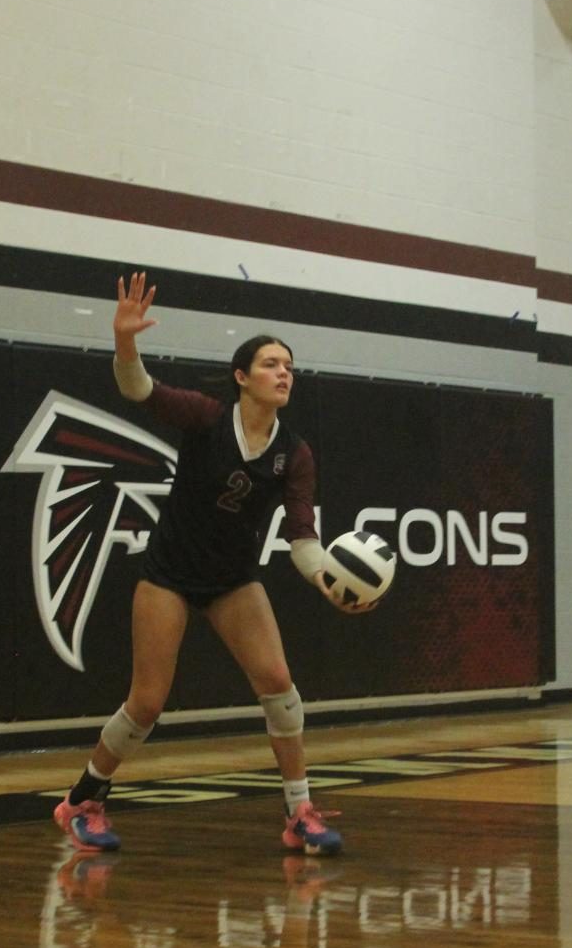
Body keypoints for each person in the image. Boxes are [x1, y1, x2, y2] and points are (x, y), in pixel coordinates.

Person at [53, 272, 370, 859]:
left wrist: (326, 575)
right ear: (242, 377)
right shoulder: (204, 417)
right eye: (272, 364)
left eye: (290, 367)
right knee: (147, 702)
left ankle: (299, 811)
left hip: (231, 579)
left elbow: (302, 536)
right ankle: (83, 801)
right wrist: (125, 340)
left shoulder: (292, 453)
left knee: (279, 685)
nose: (284, 373)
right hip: (169, 574)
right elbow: (138, 388)